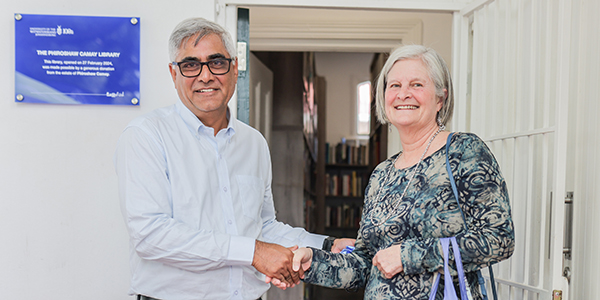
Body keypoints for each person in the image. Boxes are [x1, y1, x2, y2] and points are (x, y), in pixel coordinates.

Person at [114, 17, 353, 300]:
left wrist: (326, 245)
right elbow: (151, 236)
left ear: (235, 68)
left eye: (216, 62)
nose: (205, 76)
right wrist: (254, 252)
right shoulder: (147, 135)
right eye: (190, 64)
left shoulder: (254, 143)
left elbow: (263, 226)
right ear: (173, 73)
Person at [280, 45, 515, 299]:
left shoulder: (463, 151)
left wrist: (407, 256)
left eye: (416, 85)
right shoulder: (382, 174)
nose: (404, 94)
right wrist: (312, 263)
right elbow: (364, 264)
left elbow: (499, 239)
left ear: (440, 98)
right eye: (394, 86)